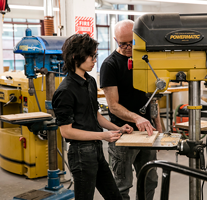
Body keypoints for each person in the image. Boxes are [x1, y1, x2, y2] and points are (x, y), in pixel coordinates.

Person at [52, 33, 133, 200]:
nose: (94, 59)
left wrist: (118, 128)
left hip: (95, 150)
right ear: (76, 57)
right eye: (91, 55)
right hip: (81, 154)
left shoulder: (90, 81)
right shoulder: (65, 91)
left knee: (115, 196)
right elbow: (66, 132)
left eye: (95, 55)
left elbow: (95, 115)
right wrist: (103, 135)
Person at [100, 20, 163, 200]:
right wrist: (137, 118)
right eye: (123, 44)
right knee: (122, 185)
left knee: (150, 180)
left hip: (147, 132)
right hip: (122, 134)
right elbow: (113, 105)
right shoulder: (110, 65)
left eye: (132, 42)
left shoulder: (145, 61)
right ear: (115, 40)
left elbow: (152, 98)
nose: (128, 47)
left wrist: (158, 128)